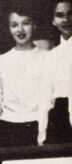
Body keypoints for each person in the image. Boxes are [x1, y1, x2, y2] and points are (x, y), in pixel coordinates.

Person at [0, 4, 47, 148]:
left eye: (25, 23)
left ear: (34, 26)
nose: (20, 30)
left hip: (40, 126)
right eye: (14, 25)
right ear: (9, 28)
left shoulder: (48, 58)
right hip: (8, 129)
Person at [39, 1, 72, 144]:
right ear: (53, 21)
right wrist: (42, 134)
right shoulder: (51, 56)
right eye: (60, 15)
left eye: (70, 14)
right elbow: (46, 98)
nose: (66, 20)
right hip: (61, 121)